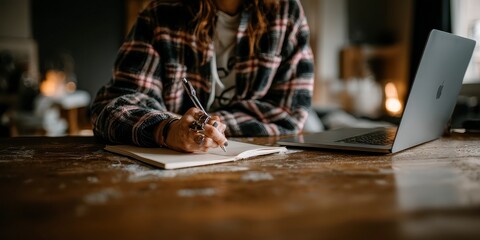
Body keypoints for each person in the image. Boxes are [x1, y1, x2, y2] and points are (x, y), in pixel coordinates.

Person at [90, 0, 314, 153]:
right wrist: (167, 129)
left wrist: (212, 124)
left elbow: (290, 113)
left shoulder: (285, 12)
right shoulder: (161, 13)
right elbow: (112, 108)